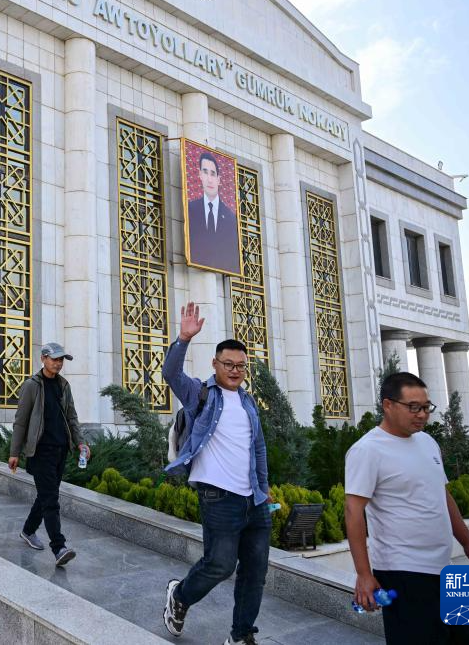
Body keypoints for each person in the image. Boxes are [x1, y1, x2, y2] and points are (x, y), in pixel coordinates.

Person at [345, 372, 469, 645]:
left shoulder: (427, 442)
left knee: (463, 640)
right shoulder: (367, 450)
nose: (422, 414)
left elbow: (442, 496)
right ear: (388, 405)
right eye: (413, 407)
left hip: (446, 565)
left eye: (426, 407)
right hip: (403, 571)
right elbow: (353, 512)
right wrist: (364, 574)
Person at [161, 302, 270, 645]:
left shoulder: (248, 402)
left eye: (241, 366)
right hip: (218, 497)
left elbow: (258, 448)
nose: (235, 371)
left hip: (254, 500)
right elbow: (171, 375)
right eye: (228, 364)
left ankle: (241, 636)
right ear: (215, 364)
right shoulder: (201, 394)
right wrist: (183, 339)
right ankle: (180, 596)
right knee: (220, 565)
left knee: (255, 572)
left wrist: (264, 489)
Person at [8, 342, 89, 568]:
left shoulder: (64, 385)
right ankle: (59, 547)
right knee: (51, 500)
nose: (59, 363)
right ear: (43, 358)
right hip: (40, 451)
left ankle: (28, 530)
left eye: (61, 359)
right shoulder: (31, 386)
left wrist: (80, 443)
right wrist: (14, 452)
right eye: (55, 359)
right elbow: (21, 421)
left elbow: (72, 417)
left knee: (45, 495)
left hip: (60, 450)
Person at [186, 151, 240, 274]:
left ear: (218, 179)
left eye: (213, 174)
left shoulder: (231, 218)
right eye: (205, 172)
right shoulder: (190, 209)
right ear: (200, 175)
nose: (209, 179)